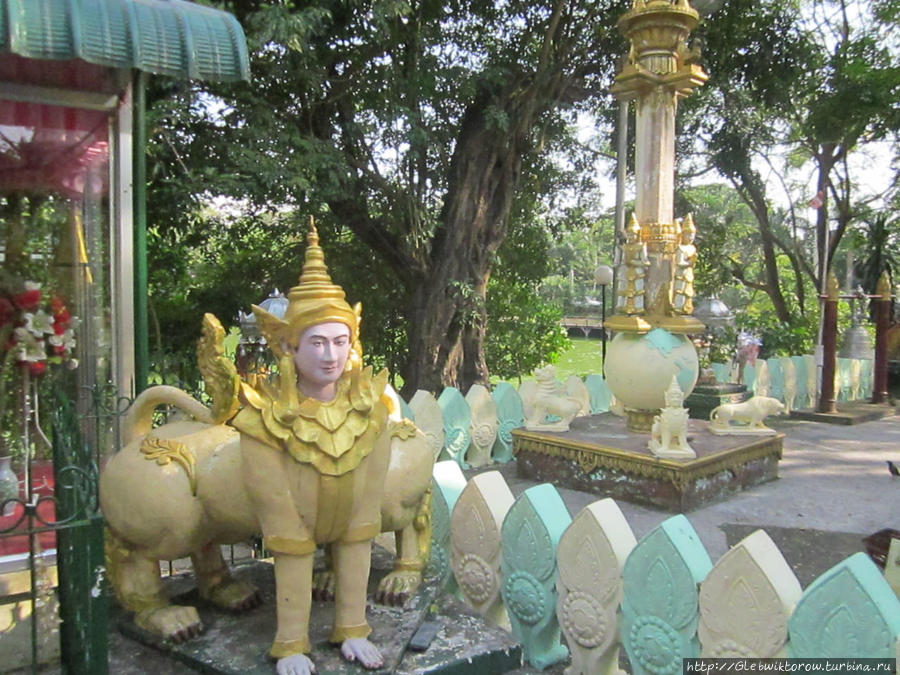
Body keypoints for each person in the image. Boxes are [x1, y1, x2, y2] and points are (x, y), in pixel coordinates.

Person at [231, 222, 392, 675]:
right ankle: (291, 639)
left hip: (350, 524)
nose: (331, 355)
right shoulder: (262, 423)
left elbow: (364, 520)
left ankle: (352, 627)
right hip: (292, 532)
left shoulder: (373, 415)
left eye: (341, 341)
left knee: (360, 534)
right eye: (317, 342)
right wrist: (291, 646)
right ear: (289, 345)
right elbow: (283, 527)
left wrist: (355, 628)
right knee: (294, 543)